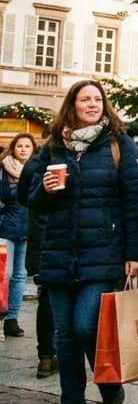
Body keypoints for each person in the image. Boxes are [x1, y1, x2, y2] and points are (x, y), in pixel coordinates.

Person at [23, 81, 138, 404]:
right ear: (72, 106)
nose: (92, 105)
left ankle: (111, 390)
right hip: (60, 251)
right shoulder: (54, 147)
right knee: (63, 338)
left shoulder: (117, 142)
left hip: (102, 251)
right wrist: (44, 189)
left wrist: (135, 254)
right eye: (84, 100)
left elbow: (133, 202)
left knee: (84, 326)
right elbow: (31, 199)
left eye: (97, 99)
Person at [13, 135, 56, 378]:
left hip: (40, 238)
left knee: (47, 299)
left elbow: (23, 198)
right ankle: (52, 354)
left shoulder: (32, 164)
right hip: (56, 240)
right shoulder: (66, 161)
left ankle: (46, 357)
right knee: (56, 299)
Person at [1, 133, 35, 337]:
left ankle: (12, 319)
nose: (23, 149)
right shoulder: (3, 170)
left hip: (27, 229)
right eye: (20, 145)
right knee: (6, 273)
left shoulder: (35, 170)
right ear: (13, 148)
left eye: (27, 146)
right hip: (5, 228)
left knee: (20, 276)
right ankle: (2, 313)